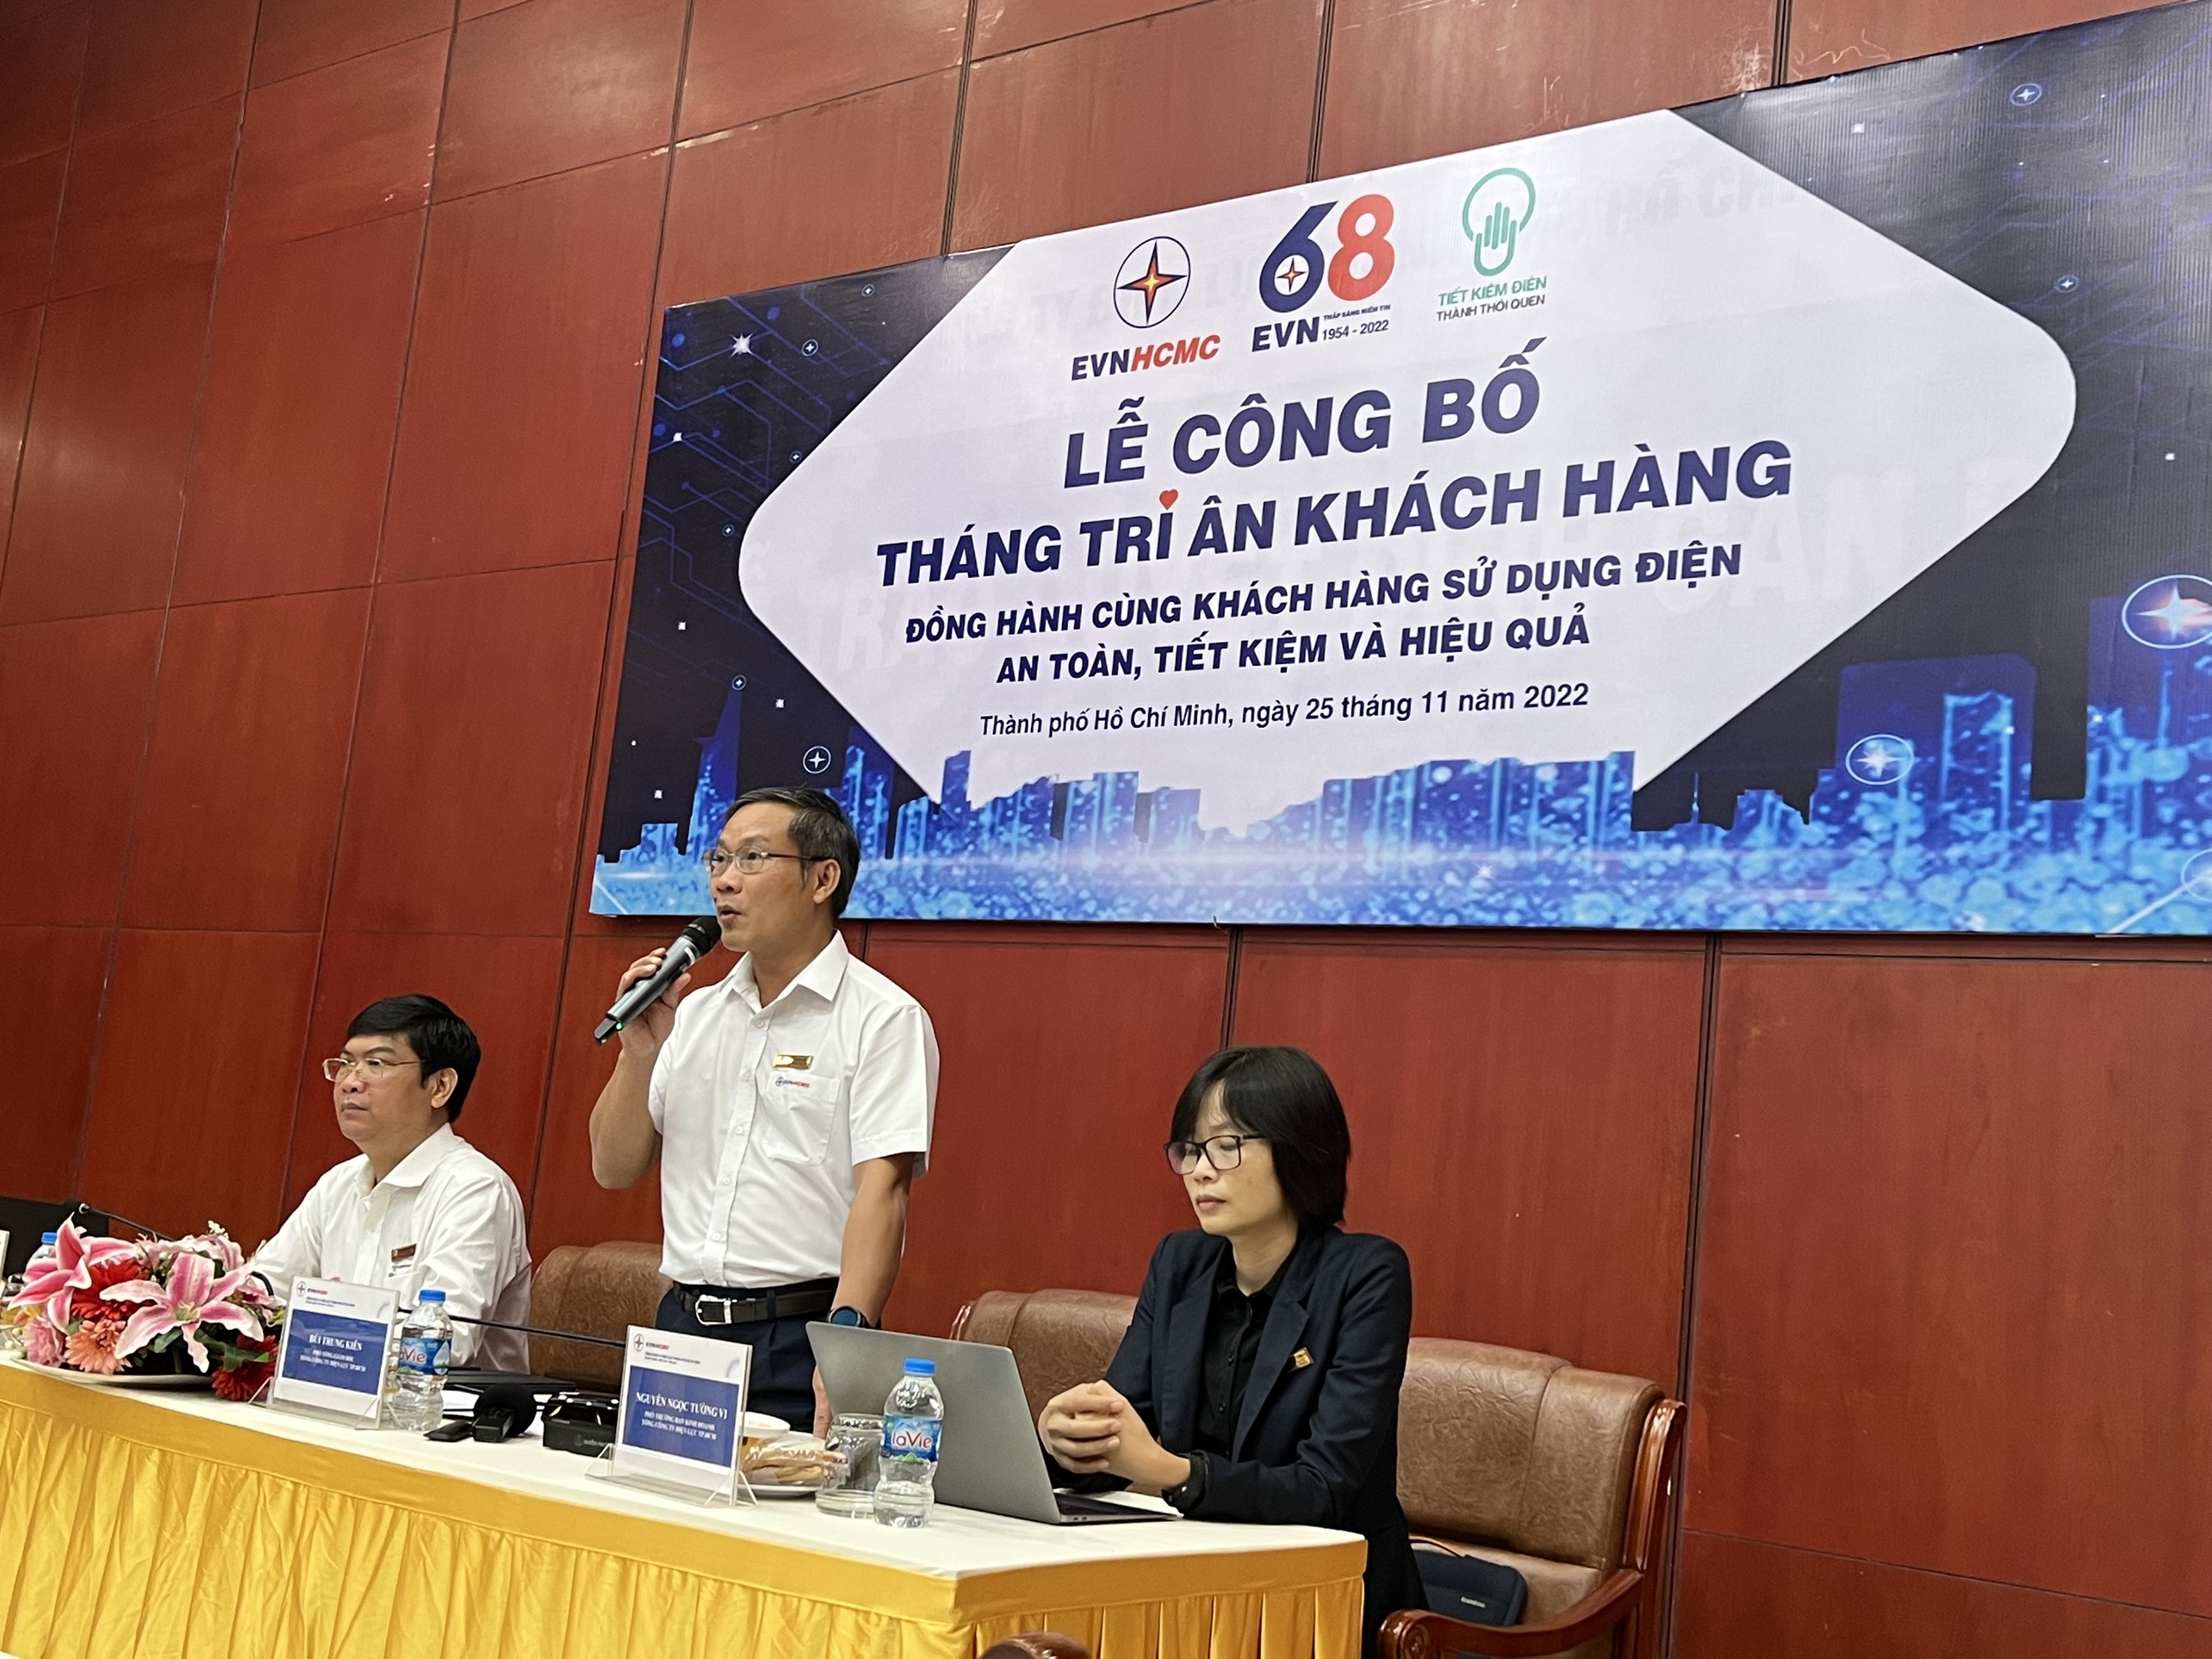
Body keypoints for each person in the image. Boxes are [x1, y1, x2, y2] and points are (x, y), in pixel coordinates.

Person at [1037, 1047, 1422, 1656]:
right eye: (1190, 1150)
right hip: (1197, 1586)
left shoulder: (1366, 1275)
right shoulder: (1180, 1263)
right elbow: (1123, 1426)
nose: (1199, 1171)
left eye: (1225, 1146)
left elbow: (1323, 1488)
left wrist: (1172, 1472)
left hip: (1327, 1606)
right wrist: (1066, 1442)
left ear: (1298, 1150)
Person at [588, 786, 938, 1432]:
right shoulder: (694, 1013)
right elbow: (613, 1167)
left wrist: (847, 1341)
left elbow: (884, 1191)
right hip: (681, 1331)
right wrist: (638, 1053)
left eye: (752, 858)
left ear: (822, 879)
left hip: (798, 1340)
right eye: (718, 859)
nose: (724, 881)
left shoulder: (883, 1018)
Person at [252, 995, 532, 1371]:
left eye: (377, 1064)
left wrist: (323, 1338)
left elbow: (443, 1342)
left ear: (440, 1086)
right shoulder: (338, 1184)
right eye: (346, 1064)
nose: (350, 1082)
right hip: (329, 1391)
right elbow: (262, 1294)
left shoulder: (475, 1189)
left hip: (442, 1404)